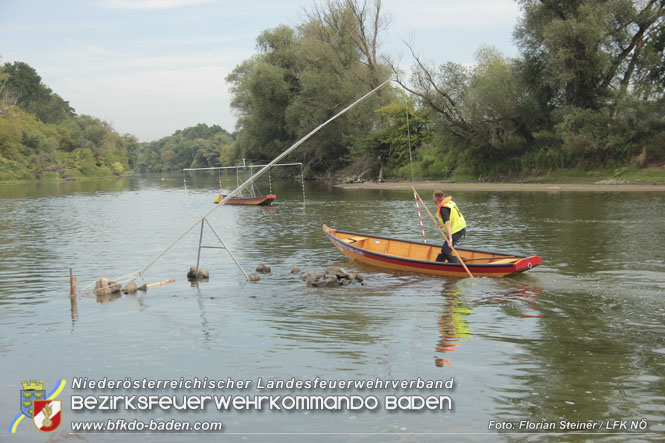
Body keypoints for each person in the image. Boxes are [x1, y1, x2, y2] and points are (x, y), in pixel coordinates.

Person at [433, 191, 466, 263]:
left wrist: (450, 239)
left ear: (436, 198)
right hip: (461, 227)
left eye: (433, 197)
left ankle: (456, 265)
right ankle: (437, 264)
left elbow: (447, 222)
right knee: (445, 250)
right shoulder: (450, 203)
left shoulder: (443, 208)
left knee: (445, 250)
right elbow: (451, 218)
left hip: (457, 230)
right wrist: (441, 224)